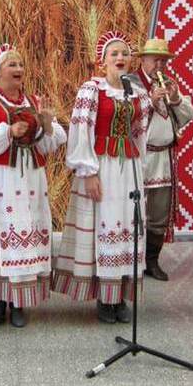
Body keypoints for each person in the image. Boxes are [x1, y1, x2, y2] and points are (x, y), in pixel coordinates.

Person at [0, 44, 66, 327]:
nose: (19, 69)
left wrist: (45, 124)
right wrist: (8, 131)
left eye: (20, 64)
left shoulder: (33, 101)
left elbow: (51, 143)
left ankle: (18, 303)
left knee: (24, 233)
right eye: (12, 65)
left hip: (28, 180)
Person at [53, 31, 151, 323]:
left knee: (128, 224)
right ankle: (105, 299)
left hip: (128, 168)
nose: (120, 58)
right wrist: (89, 172)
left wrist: (140, 168)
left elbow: (140, 134)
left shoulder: (138, 93)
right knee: (105, 224)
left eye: (125, 54)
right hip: (103, 166)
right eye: (114, 54)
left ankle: (121, 295)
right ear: (103, 61)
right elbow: (81, 130)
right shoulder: (91, 90)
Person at [132, 38, 193, 281]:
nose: (160, 64)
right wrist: (149, 99)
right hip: (138, 156)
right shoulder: (130, 83)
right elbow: (126, 118)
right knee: (133, 211)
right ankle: (130, 260)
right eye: (155, 59)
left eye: (163, 60)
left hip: (163, 158)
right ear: (143, 60)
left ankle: (152, 261)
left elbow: (188, 116)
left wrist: (176, 98)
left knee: (158, 214)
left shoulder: (168, 83)